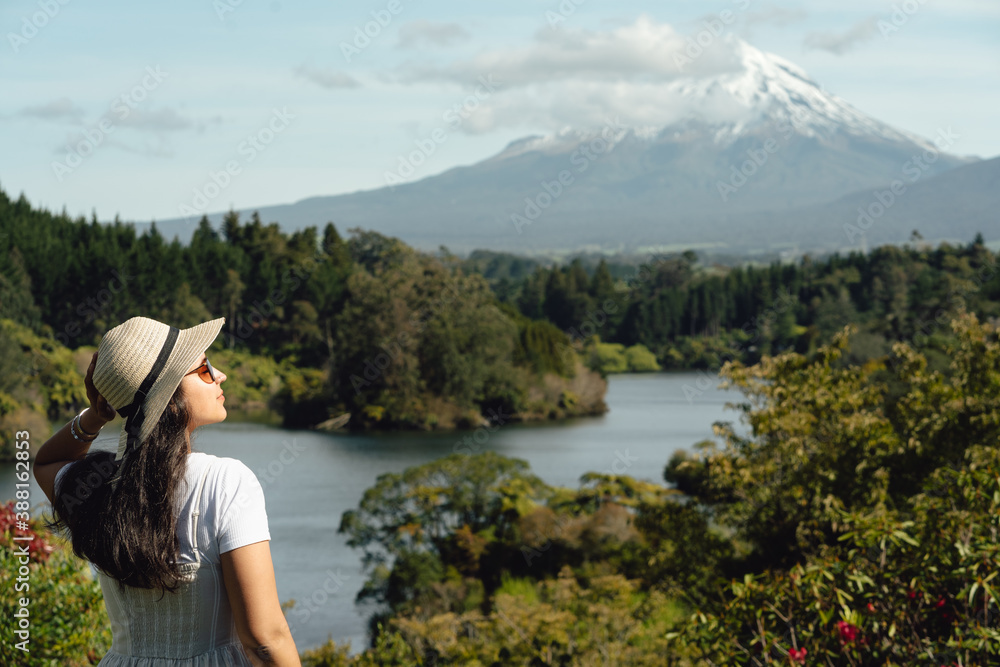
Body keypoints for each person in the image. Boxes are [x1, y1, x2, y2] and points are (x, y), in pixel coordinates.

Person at [33, 316, 301, 666]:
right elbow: (264, 640)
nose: (220, 375)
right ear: (170, 398)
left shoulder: (95, 488)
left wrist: (96, 417)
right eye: (204, 368)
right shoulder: (226, 481)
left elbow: (44, 463)